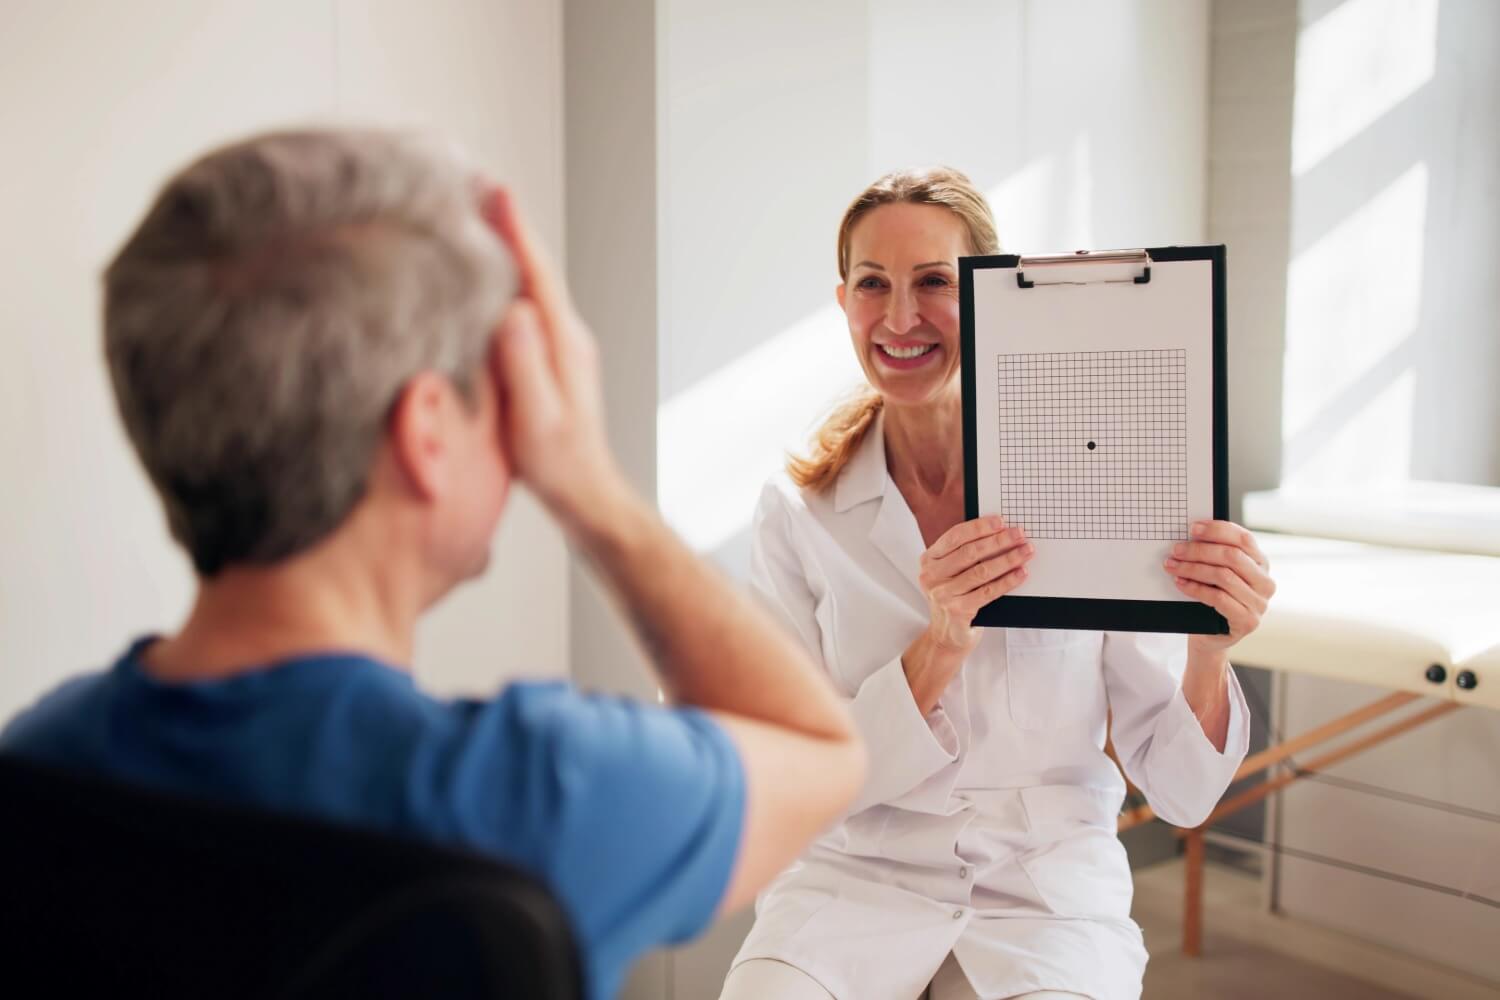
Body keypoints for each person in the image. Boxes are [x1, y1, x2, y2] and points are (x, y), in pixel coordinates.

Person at [0, 129, 866, 1000]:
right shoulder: (543, 795)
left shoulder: (36, 764)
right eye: (498, 389)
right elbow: (821, 749)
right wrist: (592, 488)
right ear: (424, 433)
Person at [718, 168, 1275, 1000]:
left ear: (989, 299)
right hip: (853, 889)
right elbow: (793, 777)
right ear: (844, 303)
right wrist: (937, 649)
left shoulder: (1093, 492)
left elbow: (1183, 791)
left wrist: (1209, 646)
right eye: (873, 284)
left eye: (934, 282)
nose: (900, 318)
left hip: (1044, 897)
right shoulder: (798, 514)